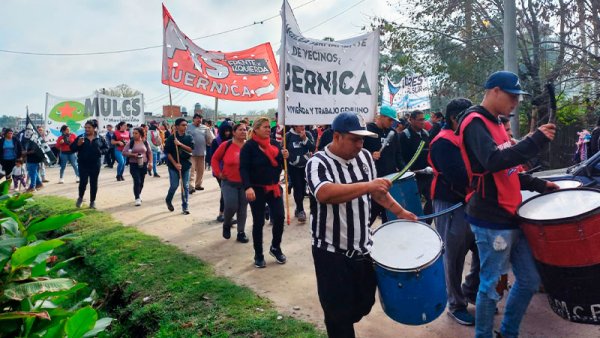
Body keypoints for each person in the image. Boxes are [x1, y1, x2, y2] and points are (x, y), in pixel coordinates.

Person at [457, 71, 559, 338]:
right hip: (491, 219)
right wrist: (534, 139)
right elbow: (492, 162)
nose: (515, 102)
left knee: (528, 280)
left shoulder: (498, 123)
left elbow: (508, 169)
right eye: (512, 96)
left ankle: (508, 332)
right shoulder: (474, 121)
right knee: (490, 285)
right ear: (494, 91)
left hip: (513, 214)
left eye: (518, 97)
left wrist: (538, 184)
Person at [305, 112, 417, 337]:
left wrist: (401, 212)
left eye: (362, 139)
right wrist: (367, 186)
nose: (360, 144)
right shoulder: (317, 162)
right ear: (336, 136)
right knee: (338, 317)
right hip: (331, 252)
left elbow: (378, 193)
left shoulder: (365, 157)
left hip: (363, 248)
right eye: (355, 139)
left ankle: (344, 316)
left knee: (364, 302)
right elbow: (325, 193)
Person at [428, 98, 480, 326]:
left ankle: (470, 289)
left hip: (472, 202)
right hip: (450, 203)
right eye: (467, 117)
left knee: (481, 247)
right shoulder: (442, 142)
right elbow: (459, 176)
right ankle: (455, 303)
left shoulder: (465, 137)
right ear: (454, 118)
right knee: (453, 254)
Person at [240, 117, 289, 268]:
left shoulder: (275, 144)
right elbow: (243, 169)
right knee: (259, 222)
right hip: (256, 190)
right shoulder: (249, 147)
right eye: (265, 127)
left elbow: (282, 165)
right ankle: (259, 253)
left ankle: (275, 247)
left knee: (279, 217)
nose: (269, 129)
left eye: (269, 127)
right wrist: (247, 187)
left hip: (274, 188)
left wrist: (286, 157)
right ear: (256, 129)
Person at [363, 106, 405, 225]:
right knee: (370, 216)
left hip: (390, 180)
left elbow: (398, 155)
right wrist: (370, 155)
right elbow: (357, 152)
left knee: (390, 216)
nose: (392, 123)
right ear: (381, 117)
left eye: (393, 121)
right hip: (373, 180)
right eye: (389, 120)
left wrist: (405, 171)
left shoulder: (393, 133)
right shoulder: (368, 131)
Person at [211, 123, 249, 243]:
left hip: (245, 183)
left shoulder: (249, 146)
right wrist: (218, 172)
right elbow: (215, 159)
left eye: (245, 130)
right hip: (228, 182)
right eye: (240, 130)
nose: (243, 132)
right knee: (231, 205)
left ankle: (241, 232)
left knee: (243, 208)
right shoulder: (226, 145)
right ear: (234, 132)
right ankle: (226, 224)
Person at [398, 110, 433, 218]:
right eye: (420, 120)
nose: (423, 122)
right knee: (412, 204)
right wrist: (405, 171)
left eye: (424, 119)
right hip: (412, 177)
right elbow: (399, 156)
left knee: (432, 201)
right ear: (411, 120)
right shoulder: (404, 136)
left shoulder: (425, 134)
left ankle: (426, 222)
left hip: (427, 174)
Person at [71, 120, 109, 209]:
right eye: (85, 127)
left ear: (94, 128)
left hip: (95, 164)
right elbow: (72, 149)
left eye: (89, 128)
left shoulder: (100, 138)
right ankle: (80, 198)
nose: (87, 129)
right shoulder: (81, 137)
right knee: (83, 182)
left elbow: (106, 148)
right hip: (83, 164)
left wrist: (100, 152)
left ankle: (92, 201)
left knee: (93, 183)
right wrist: (78, 144)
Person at [285, 125, 315, 223]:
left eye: (303, 125)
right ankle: (301, 210)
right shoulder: (288, 136)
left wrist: (305, 139)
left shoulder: (308, 134)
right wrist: (288, 156)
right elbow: (284, 150)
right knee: (297, 187)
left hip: (306, 166)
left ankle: (298, 208)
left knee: (303, 190)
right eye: (300, 126)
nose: (302, 127)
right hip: (293, 167)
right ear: (294, 126)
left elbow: (312, 148)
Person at [164, 118, 194, 214]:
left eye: (186, 125)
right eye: (183, 125)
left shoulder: (189, 137)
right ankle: (168, 200)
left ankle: (185, 207)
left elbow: (191, 149)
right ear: (176, 126)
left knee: (185, 186)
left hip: (186, 165)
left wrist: (180, 144)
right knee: (174, 185)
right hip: (173, 166)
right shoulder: (171, 138)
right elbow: (167, 153)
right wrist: (175, 164)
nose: (185, 127)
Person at [123, 127, 153, 206]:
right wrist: (133, 155)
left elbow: (149, 153)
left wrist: (150, 163)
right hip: (133, 164)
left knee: (141, 182)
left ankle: (138, 194)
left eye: (136, 133)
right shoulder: (131, 143)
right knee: (137, 181)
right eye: (133, 133)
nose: (134, 135)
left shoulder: (145, 142)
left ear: (140, 134)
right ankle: (137, 198)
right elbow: (124, 152)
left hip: (143, 164)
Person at [211, 122, 234, 222]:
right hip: (220, 171)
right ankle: (222, 214)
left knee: (227, 193)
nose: (227, 133)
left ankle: (225, 214)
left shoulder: (233, 141)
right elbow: (212, 158)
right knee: (225, 192)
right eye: (225, 131)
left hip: (231, 170)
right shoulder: (216, 141)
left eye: (229, 131)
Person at [187, 114, 215, 193]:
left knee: (201, 170)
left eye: (200, 118)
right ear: (193, 119)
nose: (199, 120)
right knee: (191, 170)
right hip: (190, 153)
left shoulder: (205, 128)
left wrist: (212, 143)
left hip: (202, 152)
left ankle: (198, 185)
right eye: (197, 118)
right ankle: (191, 186)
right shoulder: (188, 127)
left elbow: (211, 138)